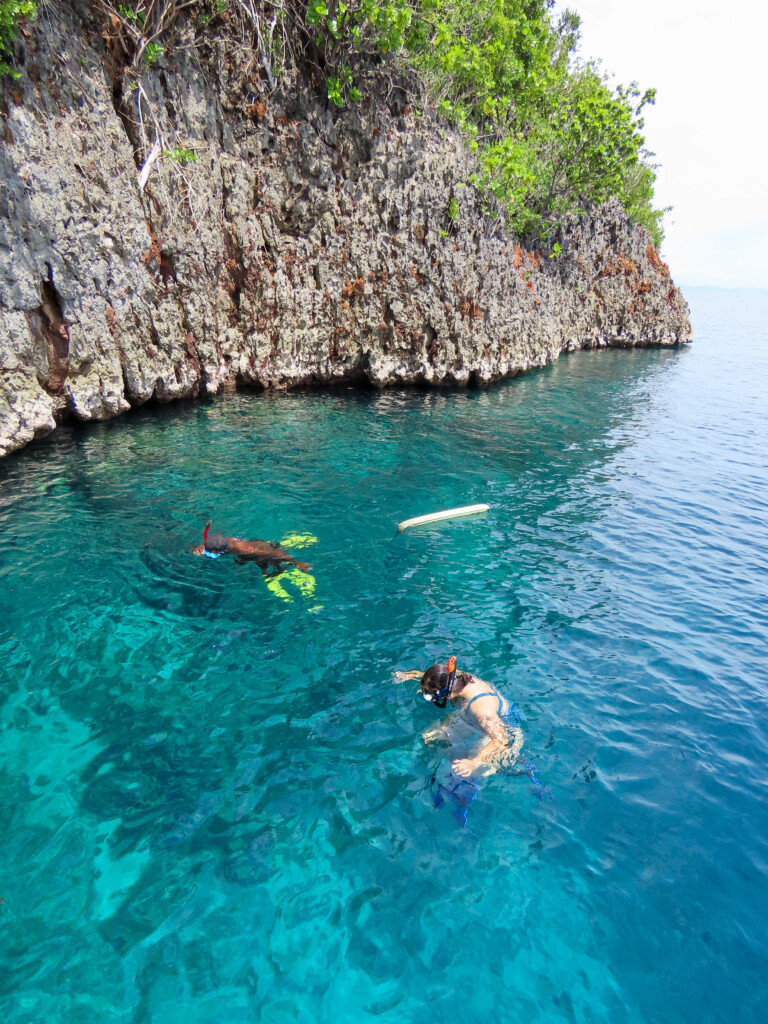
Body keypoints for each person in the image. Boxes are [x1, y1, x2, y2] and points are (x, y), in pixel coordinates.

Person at [394, 656, 523, 778]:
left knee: (477, 771)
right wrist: (410, 675)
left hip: (504, 732)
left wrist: (475, 763)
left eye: (434, 697)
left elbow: (502, 740)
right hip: (471, 718)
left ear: (446, 692)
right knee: (432, 736)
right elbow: (436, 679)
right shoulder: (455, 677)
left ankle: (520, 767)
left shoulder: (482, 710)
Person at [192, 520, 310, 572]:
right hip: (248, 548)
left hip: (261, 553)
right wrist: (199, 548)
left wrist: (296, 562)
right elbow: (206, 546)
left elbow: (276, 553)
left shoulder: (246, 550)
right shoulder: (220, 541)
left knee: (269, 569)